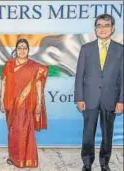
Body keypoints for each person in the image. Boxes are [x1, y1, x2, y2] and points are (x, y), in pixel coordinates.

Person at [74, 14, 123, 171]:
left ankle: (104, 163)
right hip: (89, 99)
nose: (102, 29)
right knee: (88, 133)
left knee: (107, 135)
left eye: (106, 25)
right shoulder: (86, 49)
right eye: (99, 25)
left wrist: (121, 100)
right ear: (95, 29)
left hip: (111, 99)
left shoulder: (121, 50)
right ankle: (87, 163)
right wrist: (79, 98)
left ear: (113, 28)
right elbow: (79, 75)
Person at [0, 38, 49, 168]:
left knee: (25, 133)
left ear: (28, 50)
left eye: (24, 48)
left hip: (27, 105)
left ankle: (27, 159)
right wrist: (1, 101)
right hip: (11, 104)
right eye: (19, 47)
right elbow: (4, 83)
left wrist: (38, 104)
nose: (22, 50)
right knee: (13, 132)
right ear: (16, 50)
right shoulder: (9, 65)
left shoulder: (35, 67)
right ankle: (13, 157)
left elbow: (38, 85)